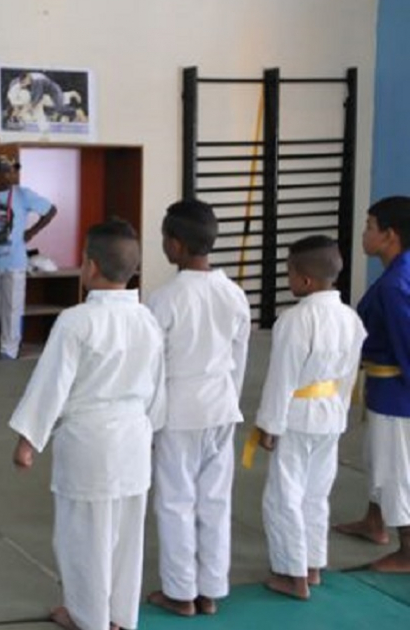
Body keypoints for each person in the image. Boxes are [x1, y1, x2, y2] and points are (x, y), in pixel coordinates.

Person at [9, 220, 165, 630]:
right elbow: (156, 386)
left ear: (90, 266)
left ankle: (88, 618)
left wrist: (28, 440)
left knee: (83, 539)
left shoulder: (77, 321)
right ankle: (120, 618)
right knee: (126, 539)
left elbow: (51, 385)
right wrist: (153, 430)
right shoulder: (147, 320)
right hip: (134, 437)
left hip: (89, 443)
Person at [144, 200, 251, 617]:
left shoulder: (165, 298)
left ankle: (180, 591)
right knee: (215, 500)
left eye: (164, 239)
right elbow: (240, 359)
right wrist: (231, 400)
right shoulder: (234, 293)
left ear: (177, 243)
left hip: (179, 410)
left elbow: (154, 368)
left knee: (175, 500)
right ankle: (210, 590)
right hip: (222, 405)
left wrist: (151, 420)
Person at [250, 236, 366, 599]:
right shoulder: (351, 318)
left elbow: (281, 377)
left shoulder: (295, 320)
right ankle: (313, 565)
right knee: (317, 493)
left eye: (288, 271)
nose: (287, 277)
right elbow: (350, 374)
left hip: (297, 415)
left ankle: (291, 573)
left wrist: (269, 424)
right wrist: (342, 411)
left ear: (304, 280)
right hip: (331, 412)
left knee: (285, 495)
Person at [333, 196, 410, 573]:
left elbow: (407, 343)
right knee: (376, 457)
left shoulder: (396, 285)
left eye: (369, 226)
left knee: (395, 467)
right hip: (385, 388)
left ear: (389, 235)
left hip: (398, 394)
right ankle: (373, 519)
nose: (364, 233)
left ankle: (408, 550)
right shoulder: (397, 273)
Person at [0, 155, 58, 360]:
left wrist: (32, 232)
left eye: (12, 170)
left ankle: (8, 350)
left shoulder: (23, 194)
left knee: (13, 307)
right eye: (5, 170)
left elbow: (51, 210)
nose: (10, 174)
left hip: (15, 262)